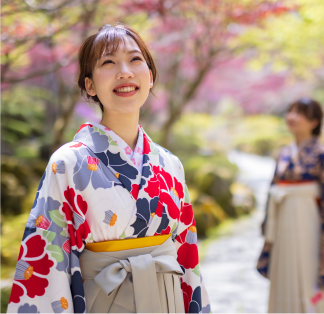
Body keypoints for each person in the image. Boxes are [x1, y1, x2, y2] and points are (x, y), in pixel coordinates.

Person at [7, 24, 211, 314]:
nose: (124, 71)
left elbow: (188, 256)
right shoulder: (68, 163)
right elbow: (47, 260)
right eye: (108, 62)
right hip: (104, 301)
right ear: (89, 85)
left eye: (135, 59)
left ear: (150, 78)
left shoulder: (170, 164)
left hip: (168, 302)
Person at [256, 98, 324, 314]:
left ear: (314, 121)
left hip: (310, 227)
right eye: (290, 111)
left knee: (310, 275)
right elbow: (272, 192)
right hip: (282, 225)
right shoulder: (283, 153)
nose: (291, 117)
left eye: (299, 113)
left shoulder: (323, 155)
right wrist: (268, 234)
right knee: (285, 273)